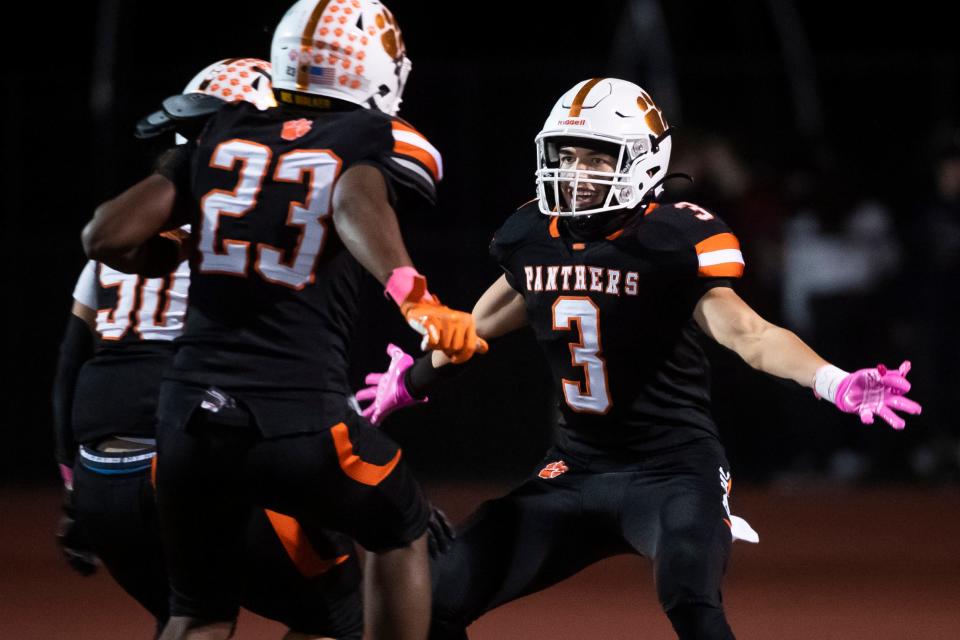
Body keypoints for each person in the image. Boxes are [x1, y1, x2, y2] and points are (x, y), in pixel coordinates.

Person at [356, 78, 921, 640]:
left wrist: (832, 381)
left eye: (595, 158)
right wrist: (412, 379)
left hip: (674, 473)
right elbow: (473, 329)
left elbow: (749, 334)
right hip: (573, 472)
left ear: (643, 162)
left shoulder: (672, 238)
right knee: (433, 598)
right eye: (565, 156)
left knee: (691, 601)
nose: (575, 174)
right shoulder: (532, 235)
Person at [82, 2, 484, 638]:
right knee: (401, 525)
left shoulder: (222, 130)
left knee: (198, 613)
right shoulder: (372, 137)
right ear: (378, 69)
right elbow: (352, 194)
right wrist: (414, 296)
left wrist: (185, 237)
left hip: (187, 423)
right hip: (297, 417)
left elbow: (108, 237)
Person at [53, 58, 368, 640]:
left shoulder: (128, 229)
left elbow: (72, 363)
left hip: (100, 470)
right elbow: (273, 370)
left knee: (191, 614)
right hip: (186, 449)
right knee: (344, 611)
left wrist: (75, 487)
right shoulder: (257, 233)